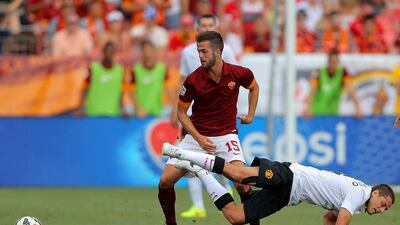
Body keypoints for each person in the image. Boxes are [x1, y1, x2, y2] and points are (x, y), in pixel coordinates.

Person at [158, 31, 260, 225]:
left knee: (241, 182)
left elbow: (254, 87)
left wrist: (251, 114)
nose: (200, 56)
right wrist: (198, 138)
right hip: (196, 139)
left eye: (204, 51)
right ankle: (170, 222)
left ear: (218, 52)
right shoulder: (193, 80)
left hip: (227, 137)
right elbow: (181, 113)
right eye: (198, 52)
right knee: (165, 181)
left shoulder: (239, 73)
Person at [162, 142, 395, 225]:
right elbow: (342, 220)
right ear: (375, 192)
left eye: (385, 209)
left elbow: (331, 218)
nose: (382, 210)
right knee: (238, 175)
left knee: (236, 217)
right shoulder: (361, 193)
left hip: (288, 196)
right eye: (383, 203)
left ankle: (201, 172)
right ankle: (181, 153)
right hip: (290, 175)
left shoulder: (358, 203)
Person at [171, 14, 239, 220]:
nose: (206, 28)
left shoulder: (227, 51)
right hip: (192, 113)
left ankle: (227, 188)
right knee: (190, 158)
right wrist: (175, 111)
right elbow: (183, 80)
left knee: (218, 157)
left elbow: (234, 78)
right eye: (203, 25)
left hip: (218, 116)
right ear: (196, 29)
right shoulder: (187, 52)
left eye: (210, 25)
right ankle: (198, 205)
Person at [77, 41, 130, 117]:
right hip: (94, 113)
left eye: (111, 52)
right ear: (103, 52)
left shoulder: (120, 70)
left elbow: (121, 92)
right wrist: (81, 108)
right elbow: (84, 89)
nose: (109, 54)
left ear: (114, 53)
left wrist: (123, 109)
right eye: (107, 51)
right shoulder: (93, 68)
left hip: (112, 113)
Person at [304, 50, 362, 117]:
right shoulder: (319, 72)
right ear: (328, 62)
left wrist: (358, 109)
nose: (333, 65)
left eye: (335, 62)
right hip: (317, 112)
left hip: (333, 113)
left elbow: (351, 91)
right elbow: (312, 91)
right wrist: (307, 108)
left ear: (338, 62)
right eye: (331, 62)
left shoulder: (343, 73)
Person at [131, 39, 174, 117]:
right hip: (140, 113)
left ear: (154, 51)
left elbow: (168, 88)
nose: (147, 52)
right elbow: (132, 90)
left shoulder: (162, 68)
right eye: (145, 49)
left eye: (149, 49)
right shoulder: (136, 69)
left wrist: (175, 107)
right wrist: (138, 108)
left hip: (157, 111)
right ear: (142, 52)